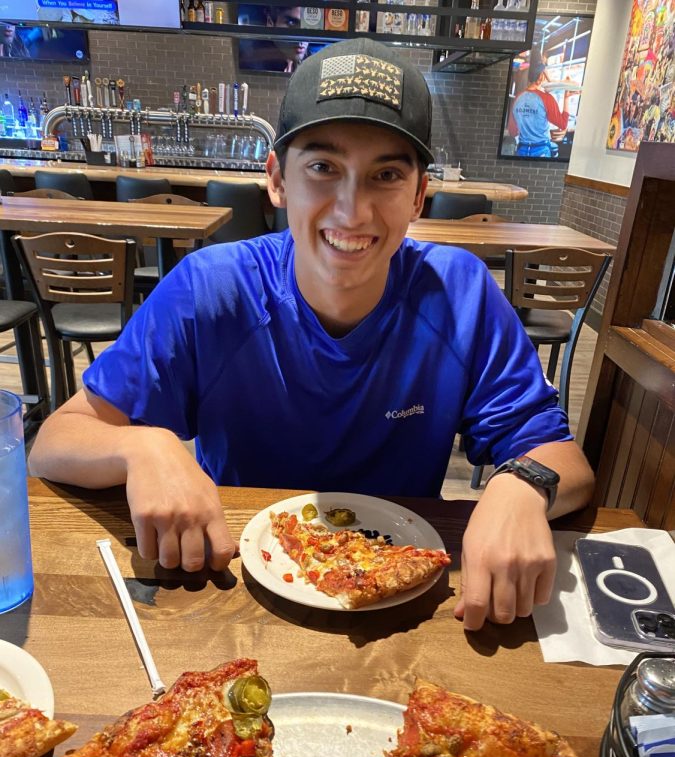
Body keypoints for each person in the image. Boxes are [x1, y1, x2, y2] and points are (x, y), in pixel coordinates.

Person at [29, 37, 595, 631]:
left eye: (386, 175)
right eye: (323, 168)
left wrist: (522, 483)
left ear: (419, 195)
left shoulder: (460, 294)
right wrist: (142, 446)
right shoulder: (211, 289)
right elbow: (55, 443)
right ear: (276, 179)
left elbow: (565, 462)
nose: (352, 212)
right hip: (232, 589)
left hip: (406, 603)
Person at [508, 48, 578, 158]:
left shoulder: (517, 98)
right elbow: (563, 123)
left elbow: (513, 132)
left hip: (521, 151)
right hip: (541, 152)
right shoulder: (546, 99)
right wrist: (566, 98)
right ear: (541, 76)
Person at [238, 5, 309, 73]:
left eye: (306, 24)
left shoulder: (315, 63)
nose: (301, 38)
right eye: (291, 23)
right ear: (270, 22)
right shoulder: (253, 62)